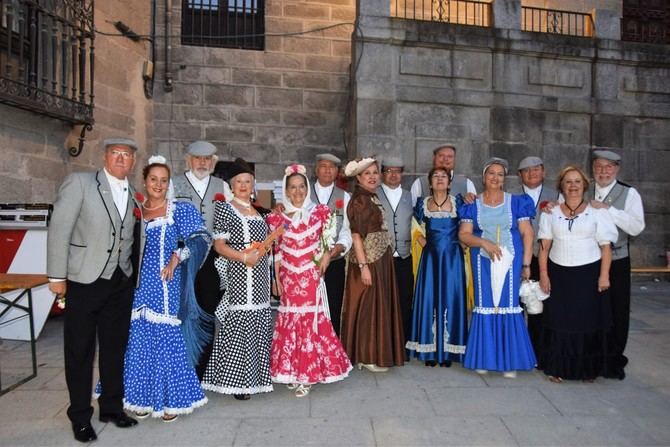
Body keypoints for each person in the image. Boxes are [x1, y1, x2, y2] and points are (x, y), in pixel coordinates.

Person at [47, 138, 141, 443]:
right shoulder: (80, 183)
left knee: (115, 348)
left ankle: (111, 408)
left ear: (133, 162)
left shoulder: (134, 197)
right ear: (105, 157)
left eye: (127, 156)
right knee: (80, 350)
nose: (121, 159)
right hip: (84, 280)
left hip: (120, 282)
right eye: (116, 154)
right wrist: (56, 276)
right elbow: (59, 228)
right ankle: (79, 416)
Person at [122, 156, 209, 420]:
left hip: (164, 284)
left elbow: (200, 239)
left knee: (166, 342)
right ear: (145, 182)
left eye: (163, 180)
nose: (158, 185)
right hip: (137, 286)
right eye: (153, 180)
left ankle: (170, 400)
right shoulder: (135, 209)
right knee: (139, 338)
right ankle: (141, 397)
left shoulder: (178, 210)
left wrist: (175, 257)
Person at [267, 164, 352, 397]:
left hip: (310, 277)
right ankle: (293, 371)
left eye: (301, 186)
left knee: (309, 323)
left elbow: (328, 240)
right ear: (286, 189)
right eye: (292, 187)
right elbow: (276, 251)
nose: (297, 192)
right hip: (288, 277)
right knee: (290, 323)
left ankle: (307, 374)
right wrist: (276, 279)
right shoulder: (277, 218)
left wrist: (325, 257)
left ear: (307, 187)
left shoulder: (321, 212)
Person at [537, 165, 618, 382]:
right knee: (559, 321)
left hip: (588, 274)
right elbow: (544, 247)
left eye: (577, 182)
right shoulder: (550, 212)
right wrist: (544, 275)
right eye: (568, 182)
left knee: (586, 322)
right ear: (561, 187)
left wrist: (604, 276)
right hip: (559, 274)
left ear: (584, 186)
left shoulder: (597, 212)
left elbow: (606, 247)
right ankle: (558, 368)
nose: (573, 186)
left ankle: (587, 369)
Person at [202, 158, 273, 400]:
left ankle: (256, 377)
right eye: (239, 181)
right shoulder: (225, 208)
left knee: (258, 319)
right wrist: (243, 257)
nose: (243, 185)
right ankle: (236, 380)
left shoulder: (258, 210)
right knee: (240, 320)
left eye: (248, 181)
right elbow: (219, 245)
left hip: (261, 273)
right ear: (231, 185)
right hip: (240, 273)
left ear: (253, 185)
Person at [458, 157, 536, 378]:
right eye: (491, 173)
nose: (495, 178)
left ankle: (509, 360)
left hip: (510, 259)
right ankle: (484, 357)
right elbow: (464, 234)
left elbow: (527, 233)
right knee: (485, 305)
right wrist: (483, 242)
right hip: (482, 259)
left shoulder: (516, 202)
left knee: (507, 304)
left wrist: (526, 264)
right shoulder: (473, 204)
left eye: (500, 174)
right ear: (484, 177)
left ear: (504, 178)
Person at [172, 140, 232, 378]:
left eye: (207, 159)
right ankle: (182, 367)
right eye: (198, 158)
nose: (202, 163)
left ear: (213, 162)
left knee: (207, 311)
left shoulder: (222, 186)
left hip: (211, 259)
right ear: (189, 159)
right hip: (183, 257)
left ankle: (203, 369)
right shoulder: (174, 184)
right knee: (182, 312)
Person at [340, 157, 405, 372]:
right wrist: (363, 266)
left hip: (379, 260)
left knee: (376, 307)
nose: (372, 176)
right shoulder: (359, 200)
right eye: (367, 173)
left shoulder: (370, 196)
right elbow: (356, 235)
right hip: (368, 260)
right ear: (358, 177)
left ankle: (371, 353)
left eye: (375, 172)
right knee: (368, 307)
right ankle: (366, 356)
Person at [589, 150, 645, 380]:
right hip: (588, 259)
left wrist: (609, 211)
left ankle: (613, 359)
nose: (603, 171)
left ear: (617, 169)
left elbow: (636, 227)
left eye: (609, 167)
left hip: (617, 260)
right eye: (599, 167)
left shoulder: (629, 193)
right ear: (593, 168)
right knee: (591, 310)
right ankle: (592, 356)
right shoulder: (583, 189)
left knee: (617, 310)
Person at [406, 167, 468, 366]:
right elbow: (414, 226)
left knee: (451, 298)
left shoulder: (459, 202)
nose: (440, 179)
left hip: (452, 259)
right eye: (436, 176)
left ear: (449, 183)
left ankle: (449, 351)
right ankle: (430, 350)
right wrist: (424, 242)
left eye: (444, 177)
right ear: (430, 182)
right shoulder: (422, 204)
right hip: (431, 259)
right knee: (430, 299)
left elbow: (468, 225)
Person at [516, 156, 559, 355]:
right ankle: (519, 348)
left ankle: (540, 349)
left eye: (536, 169)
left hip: (545, 256)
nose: (532, 173)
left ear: (543, 172)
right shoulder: (511, 195)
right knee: (518, 302)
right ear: (519, 175)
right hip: (518, 256)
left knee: (541, 303)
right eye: (526, 170)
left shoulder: (557, 195)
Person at [310, 153, 352, 336]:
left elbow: (347, 230)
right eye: (324, 166)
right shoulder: (304, 192)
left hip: (334, 261)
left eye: (332, 167)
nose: (328, 170)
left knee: (333, 306)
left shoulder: (345, 196)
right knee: (309, 308)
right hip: (307, 262)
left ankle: (331, 351)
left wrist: (340, 247)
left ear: (337, 172)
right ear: (316, 169)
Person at [377, 156, 414, 346]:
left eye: (397, 171)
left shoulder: (410, 196)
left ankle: (403, 342)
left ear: (402, 174)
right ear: (382, 173)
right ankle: (383, 342)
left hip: (405, 255)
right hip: (381, 256)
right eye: (389, 171)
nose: (393, 175)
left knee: (405, 300)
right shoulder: (373, 194)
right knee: (382, 301)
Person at [410, 144, 476, 206]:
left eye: (450, 156)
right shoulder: (419, 183)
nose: (445, 159)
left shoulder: (467, 184)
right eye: (441, 155)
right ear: (434, 157)